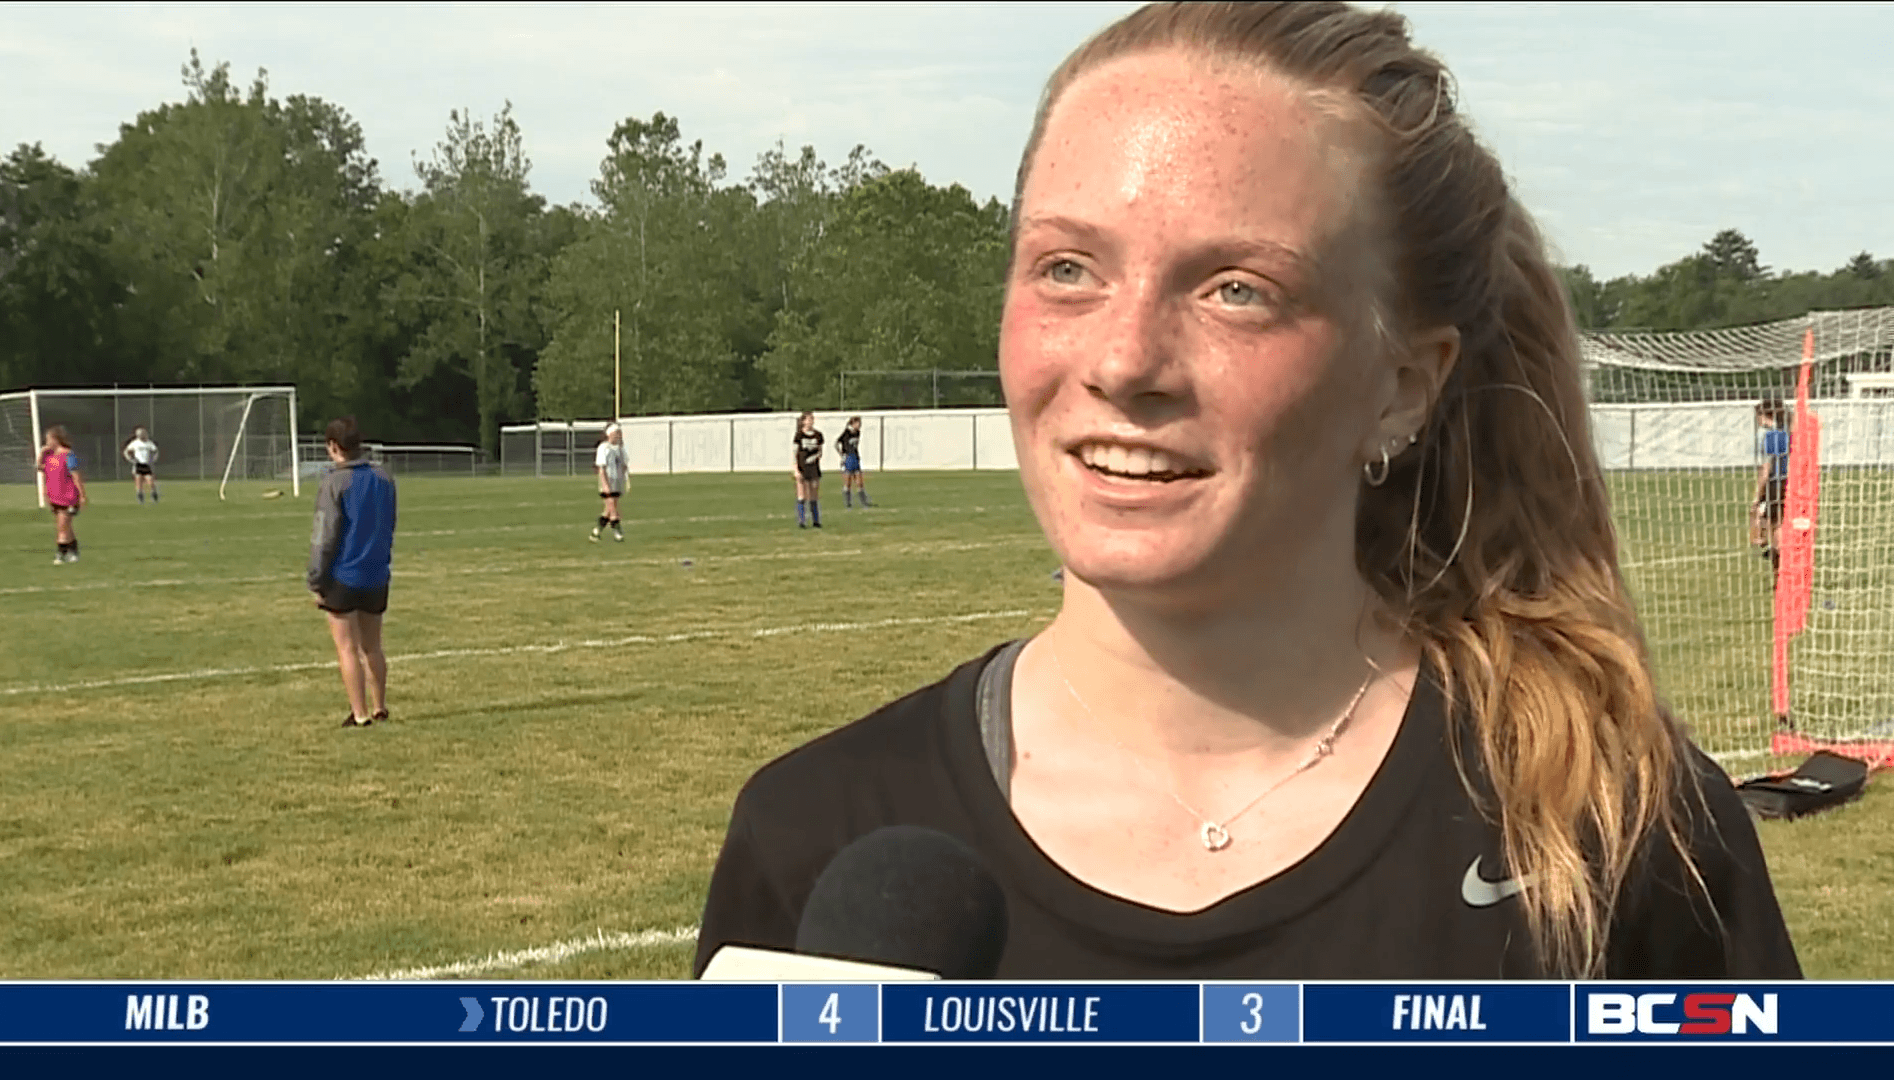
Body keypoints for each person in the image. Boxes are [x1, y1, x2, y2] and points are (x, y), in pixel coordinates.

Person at [695, 2, 1800, 980]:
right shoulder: (815, 839)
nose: (1124, 362)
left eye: (1237, 290)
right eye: (1068, 268)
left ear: (1404, 389)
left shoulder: (1613, 834)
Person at [306, 416, 397, 729]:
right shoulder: (384, 478)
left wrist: (316, 580)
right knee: (373, 645)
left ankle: (359, 714)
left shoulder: (334, 483)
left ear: (333, 447)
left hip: (344, 575)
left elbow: (324, 536)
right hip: (376, 574)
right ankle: (380, 707)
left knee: (347, 648)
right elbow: (390, 525)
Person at [39, 426, 87, 564]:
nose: (47, 442)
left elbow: (76, 476)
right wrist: (42, 453)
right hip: (55, 496)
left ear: (56, 439)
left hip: (68, 497)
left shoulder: (68, 455)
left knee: (62, 526)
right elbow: (39, 468)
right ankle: (73, 552)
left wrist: (82, 495)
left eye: (49, 438)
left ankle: (61, 553)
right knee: (65, 526)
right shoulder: (49, 456)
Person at [1751, 399, 1789, 572]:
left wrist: (1757, 494)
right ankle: (1769, 548)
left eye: (1758, 415)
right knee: (1776, 522)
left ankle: (1778, 565)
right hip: (1792, 483)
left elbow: (1766, 468)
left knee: (1774, 525)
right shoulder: (1790, 433)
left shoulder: (1773, 436)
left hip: (1777, 483)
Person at [591, 423, 629, 542]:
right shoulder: (604, 447)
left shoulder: (620, 448)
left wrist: (625, 480)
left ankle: (596, 532)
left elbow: (624, 465)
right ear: (610, 434)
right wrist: (605, 485)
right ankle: (618, 532)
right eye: (617, 433)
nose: (619, 435)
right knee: (612, 509)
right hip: (608, 481)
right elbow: (601, 468)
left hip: (617, 481)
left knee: (608, 510)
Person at [793, 411, 825, 528]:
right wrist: (796, 469)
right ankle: (802, 521)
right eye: (808, 419)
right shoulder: (799, 435)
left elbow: (820, 451)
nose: (811, 421)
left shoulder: (818, 435)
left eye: (812, 419)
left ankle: (816, 521)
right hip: (802, 467)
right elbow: (795, 453)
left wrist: (815, 458)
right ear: (803, 421)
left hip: (813, 468)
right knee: (801, 494)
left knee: (814, 494)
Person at [837, 416, 872, 508]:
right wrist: (842, 454)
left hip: (855, 457)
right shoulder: (846, 433)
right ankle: (848, 502)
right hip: (848, 458)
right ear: (853, 424)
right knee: (848, 481)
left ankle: (864, 502)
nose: (859, 425)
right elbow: (837, 443)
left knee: (859, 480)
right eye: (858, 423)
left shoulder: (857, 433)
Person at [122, 426, 161, 504]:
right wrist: (131, 459)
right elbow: (126, 451)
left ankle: (154, 493)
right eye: (143, 434)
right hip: (138, 465)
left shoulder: (149, 443)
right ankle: (140, 496)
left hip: (146, 465)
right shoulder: (135, 443)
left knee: (150, 481)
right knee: (139, 481)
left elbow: (156, 451)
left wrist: (153, 459)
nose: (145, 435)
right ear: (139, 435)